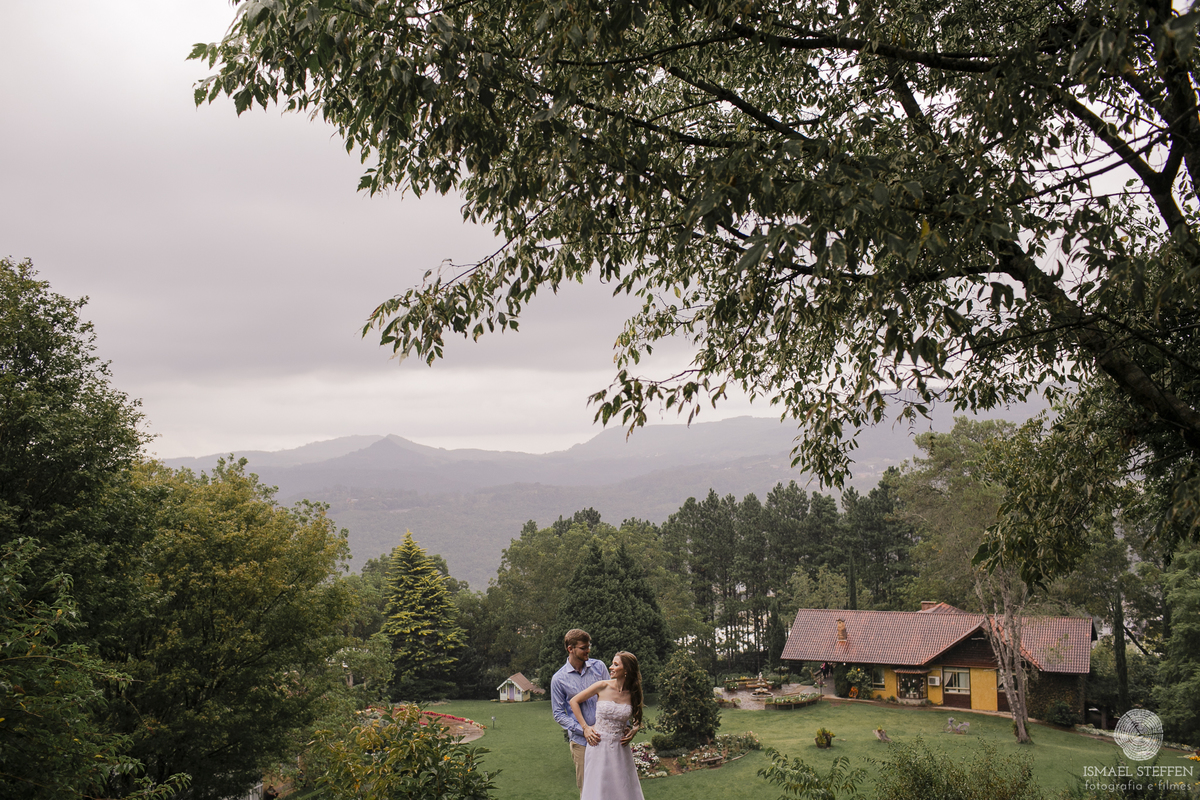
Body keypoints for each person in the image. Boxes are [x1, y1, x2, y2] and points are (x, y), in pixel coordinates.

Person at [569, 651, 645, 800]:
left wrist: (634, 729)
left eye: (616, 664)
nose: (610, 667)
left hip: (620, 748)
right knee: (599, 789)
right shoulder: (602, 686)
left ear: (627, 670)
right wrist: (585, 728)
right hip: (598, 744)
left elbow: (638, 717)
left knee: (622, 789)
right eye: (612, 663)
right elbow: (574, 701)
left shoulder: (633, 692)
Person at [550, 629, 611, 791]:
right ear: (570, 649)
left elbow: (613, 697)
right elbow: (558, 714)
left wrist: (624, 724)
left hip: (607, 737)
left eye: (588, 646)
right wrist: (583, 729)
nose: (588, 651)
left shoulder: (599, 667)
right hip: (581, 743)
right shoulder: (559, 679)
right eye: (583, 648)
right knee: (588, 790)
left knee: (609, 787)